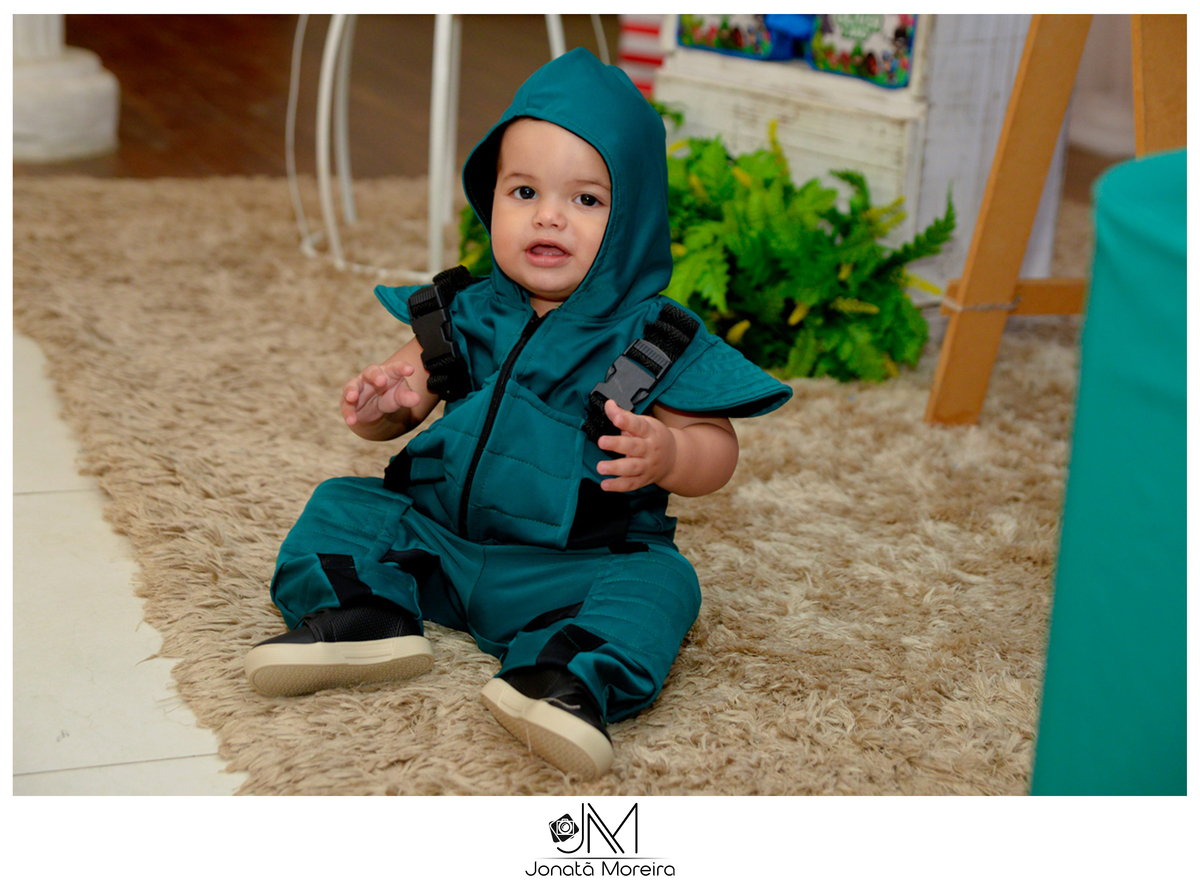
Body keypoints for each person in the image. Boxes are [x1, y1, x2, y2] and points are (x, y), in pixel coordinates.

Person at [245, 48, 792, 779]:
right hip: (434, 545)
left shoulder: (654, 341)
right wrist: (384, 406)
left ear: (632, 221)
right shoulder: (466, 309)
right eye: (525, 191)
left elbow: (716, 450)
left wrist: (669, 454)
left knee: (662, 584)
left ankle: (561, 675)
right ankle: (364, 613)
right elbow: (402, 401)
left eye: (586, 200)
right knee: (342, 504)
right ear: (491, 197)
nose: (549, 216)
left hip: (566, 569)